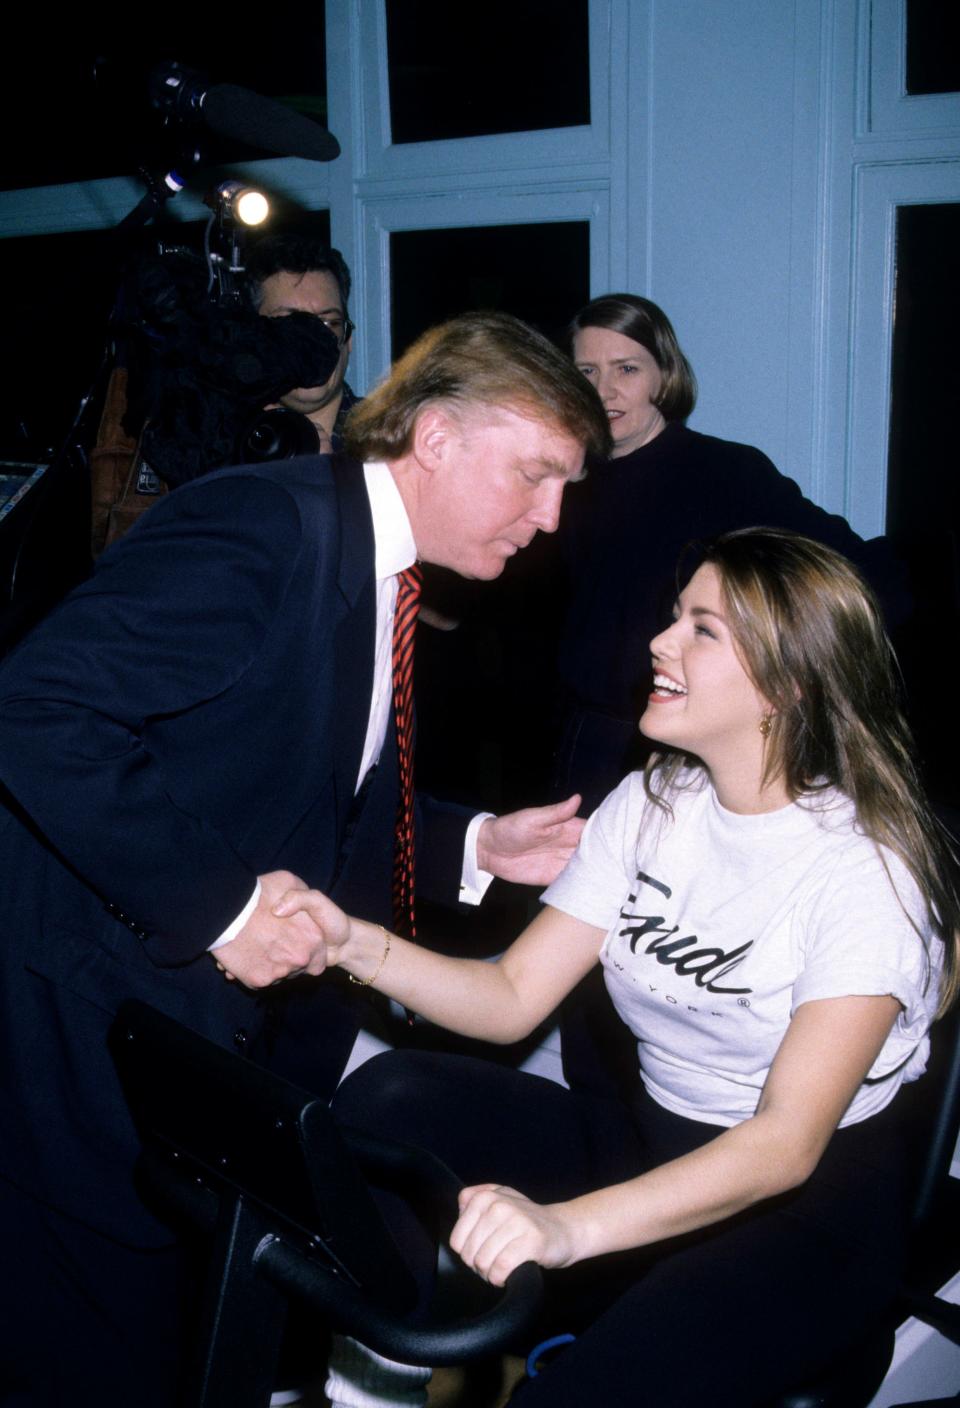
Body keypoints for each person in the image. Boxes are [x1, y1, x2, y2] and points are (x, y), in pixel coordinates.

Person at [0, 310, 610, 1407]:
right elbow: (35, 711)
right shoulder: (265, 527)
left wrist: (469, 837)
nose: (549, 517)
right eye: (534, 474)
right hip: (82, 1021)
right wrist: (228, 910)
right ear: (435, 439)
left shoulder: (376, 563)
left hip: (178, 1042)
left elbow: (306, 778)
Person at [280, 529, 959, 1408]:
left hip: (802, 1210)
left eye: (702, 630)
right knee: (387, 1100)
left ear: (787, 684)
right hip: (645, 1135)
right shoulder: (653, 801)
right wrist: (350, 945)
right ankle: (377, 1383)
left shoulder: (864, 872)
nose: (659, 641)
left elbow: (785, 1144)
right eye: (676, 616)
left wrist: (563, 1229)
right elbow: (512, 997)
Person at [555, 293, 904, 815]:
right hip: (586, 743)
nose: (605, 390)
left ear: (664, 375)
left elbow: (853, 570)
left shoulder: (726, 471)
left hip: (693, 746)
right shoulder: (557, 481)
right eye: (586, 371)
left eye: (627, 368)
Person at [245, 231, 360, 453]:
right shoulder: (221, 443)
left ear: (348, 340)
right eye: (290, 325)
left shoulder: (391, 440)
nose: (312, 345)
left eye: (328, 325)